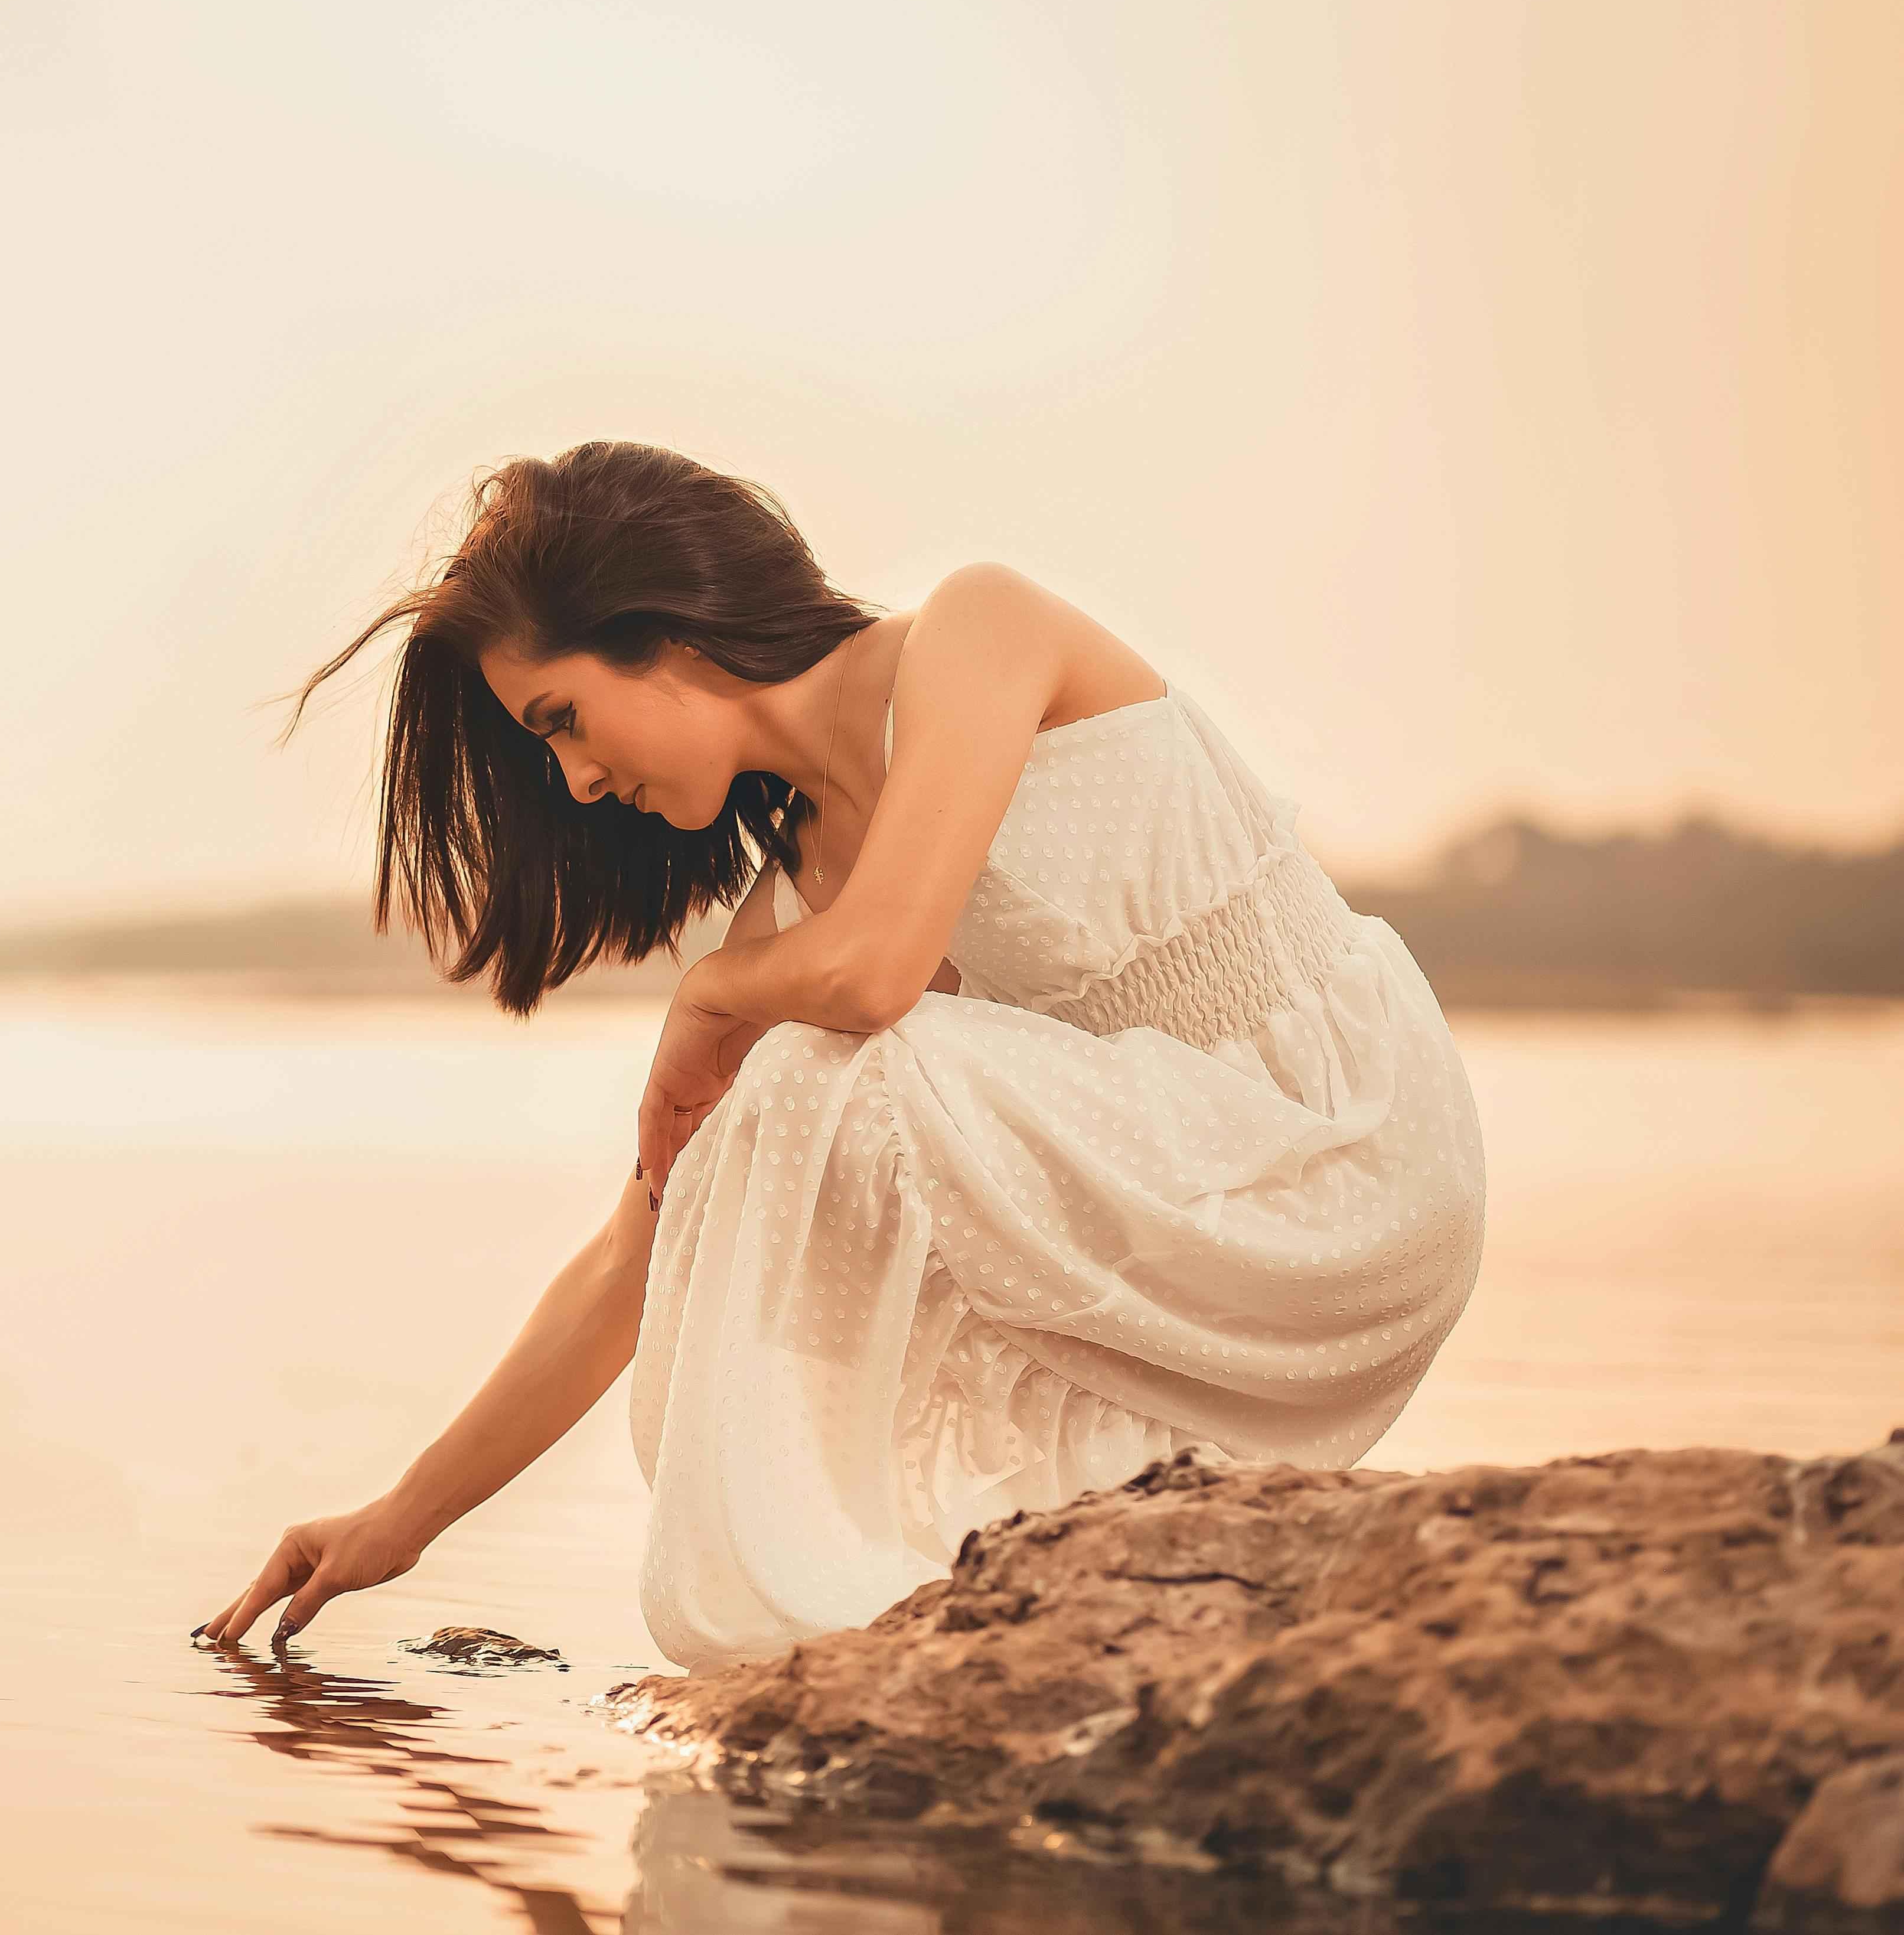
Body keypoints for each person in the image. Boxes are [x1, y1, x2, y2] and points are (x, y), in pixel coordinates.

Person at [195, 440, 1487, 1671]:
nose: (576, 782)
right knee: (747, 1147)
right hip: (1185, 1210)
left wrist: (708, 998)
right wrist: (400, 1519)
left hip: (1340, 1143)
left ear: (665, 636)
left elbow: (875, 980)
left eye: (563, 720)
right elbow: (638, 1248)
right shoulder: (803, 895)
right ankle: (885, 1590)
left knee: (813, 1076)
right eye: (549, 748)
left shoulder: (975, 632)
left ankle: (835, 1585)